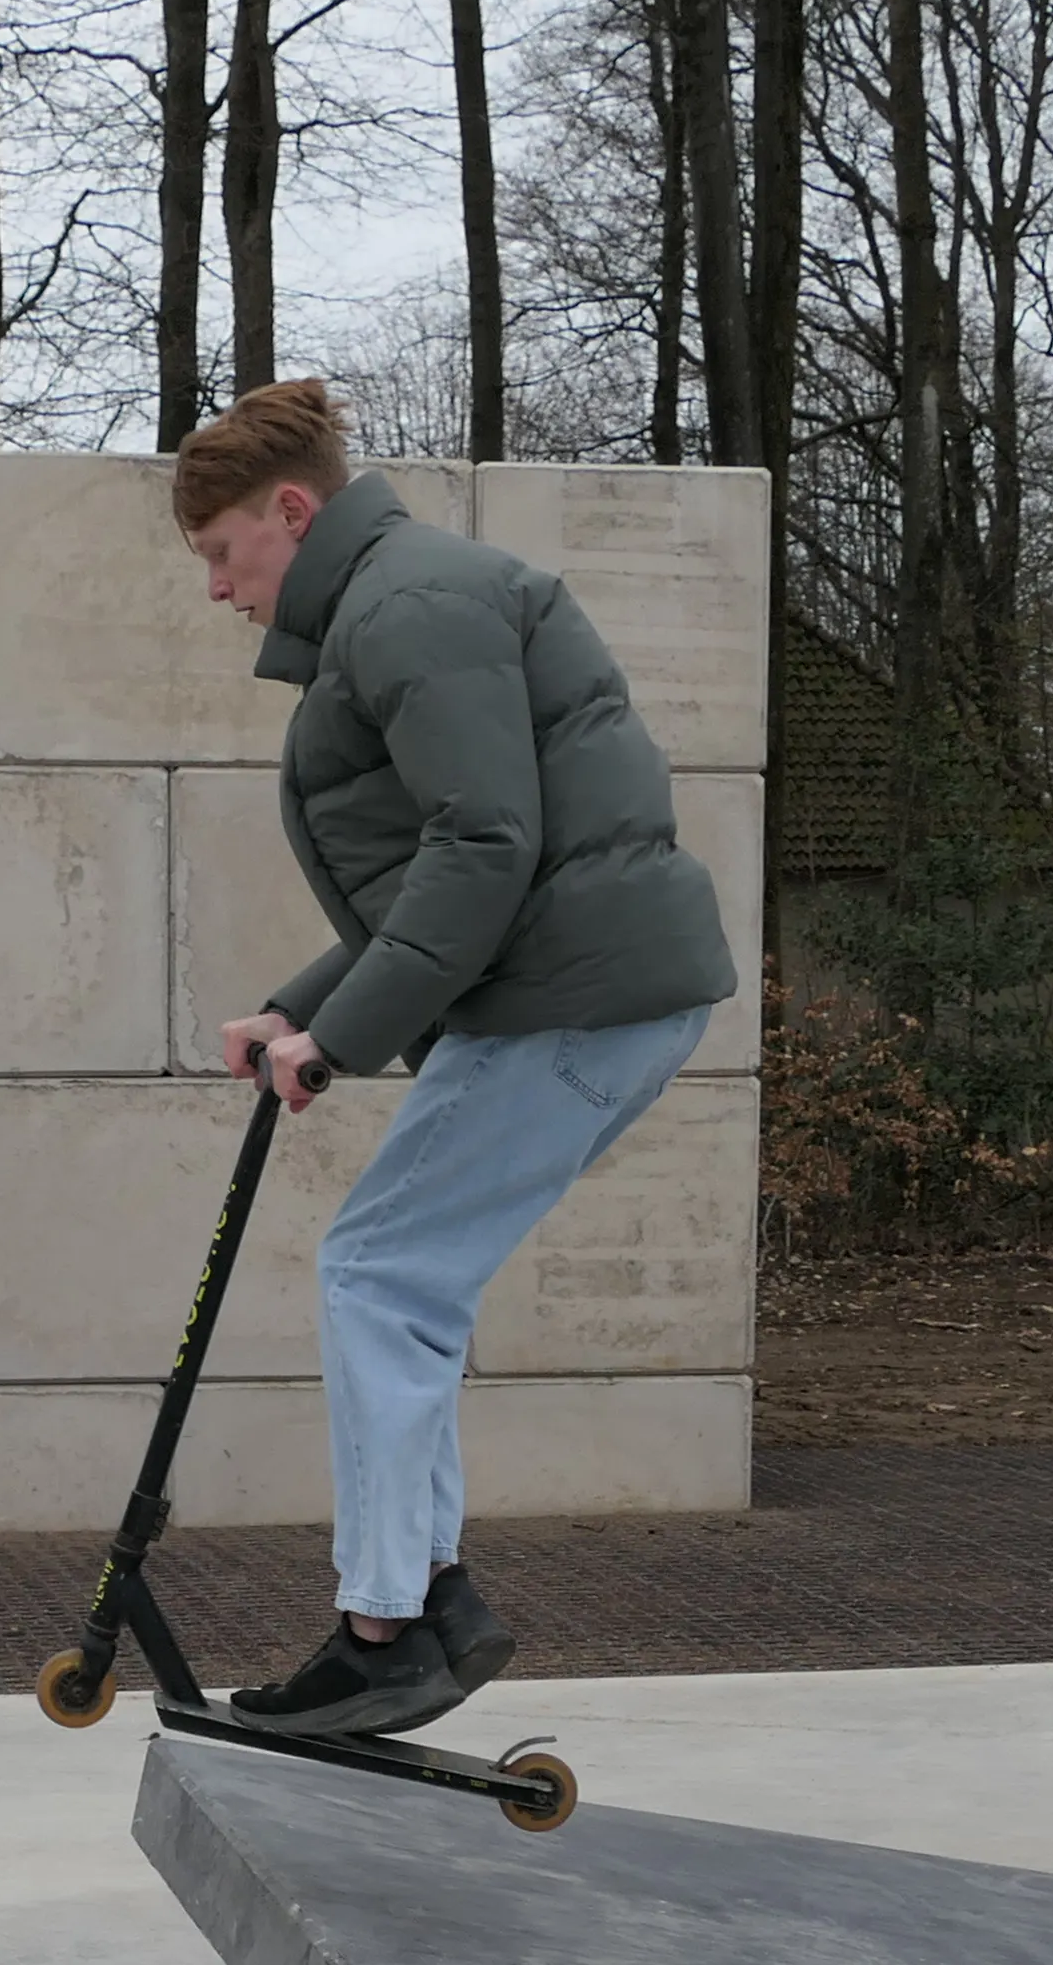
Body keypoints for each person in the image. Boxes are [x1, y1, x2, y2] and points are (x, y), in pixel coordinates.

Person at [175, 379, 739, 1741]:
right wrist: (300, 1005)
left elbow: (484, 843)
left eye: (221, 553)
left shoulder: (408, 606)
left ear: (290, 511)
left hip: (577, 998)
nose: (217, 591)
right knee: (399, 1281)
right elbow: (451, 865)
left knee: (377, 1272)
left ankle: (392, 1629)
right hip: (573, 988)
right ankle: (422, 1607)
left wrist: (343, 1039)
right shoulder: (398, 599)